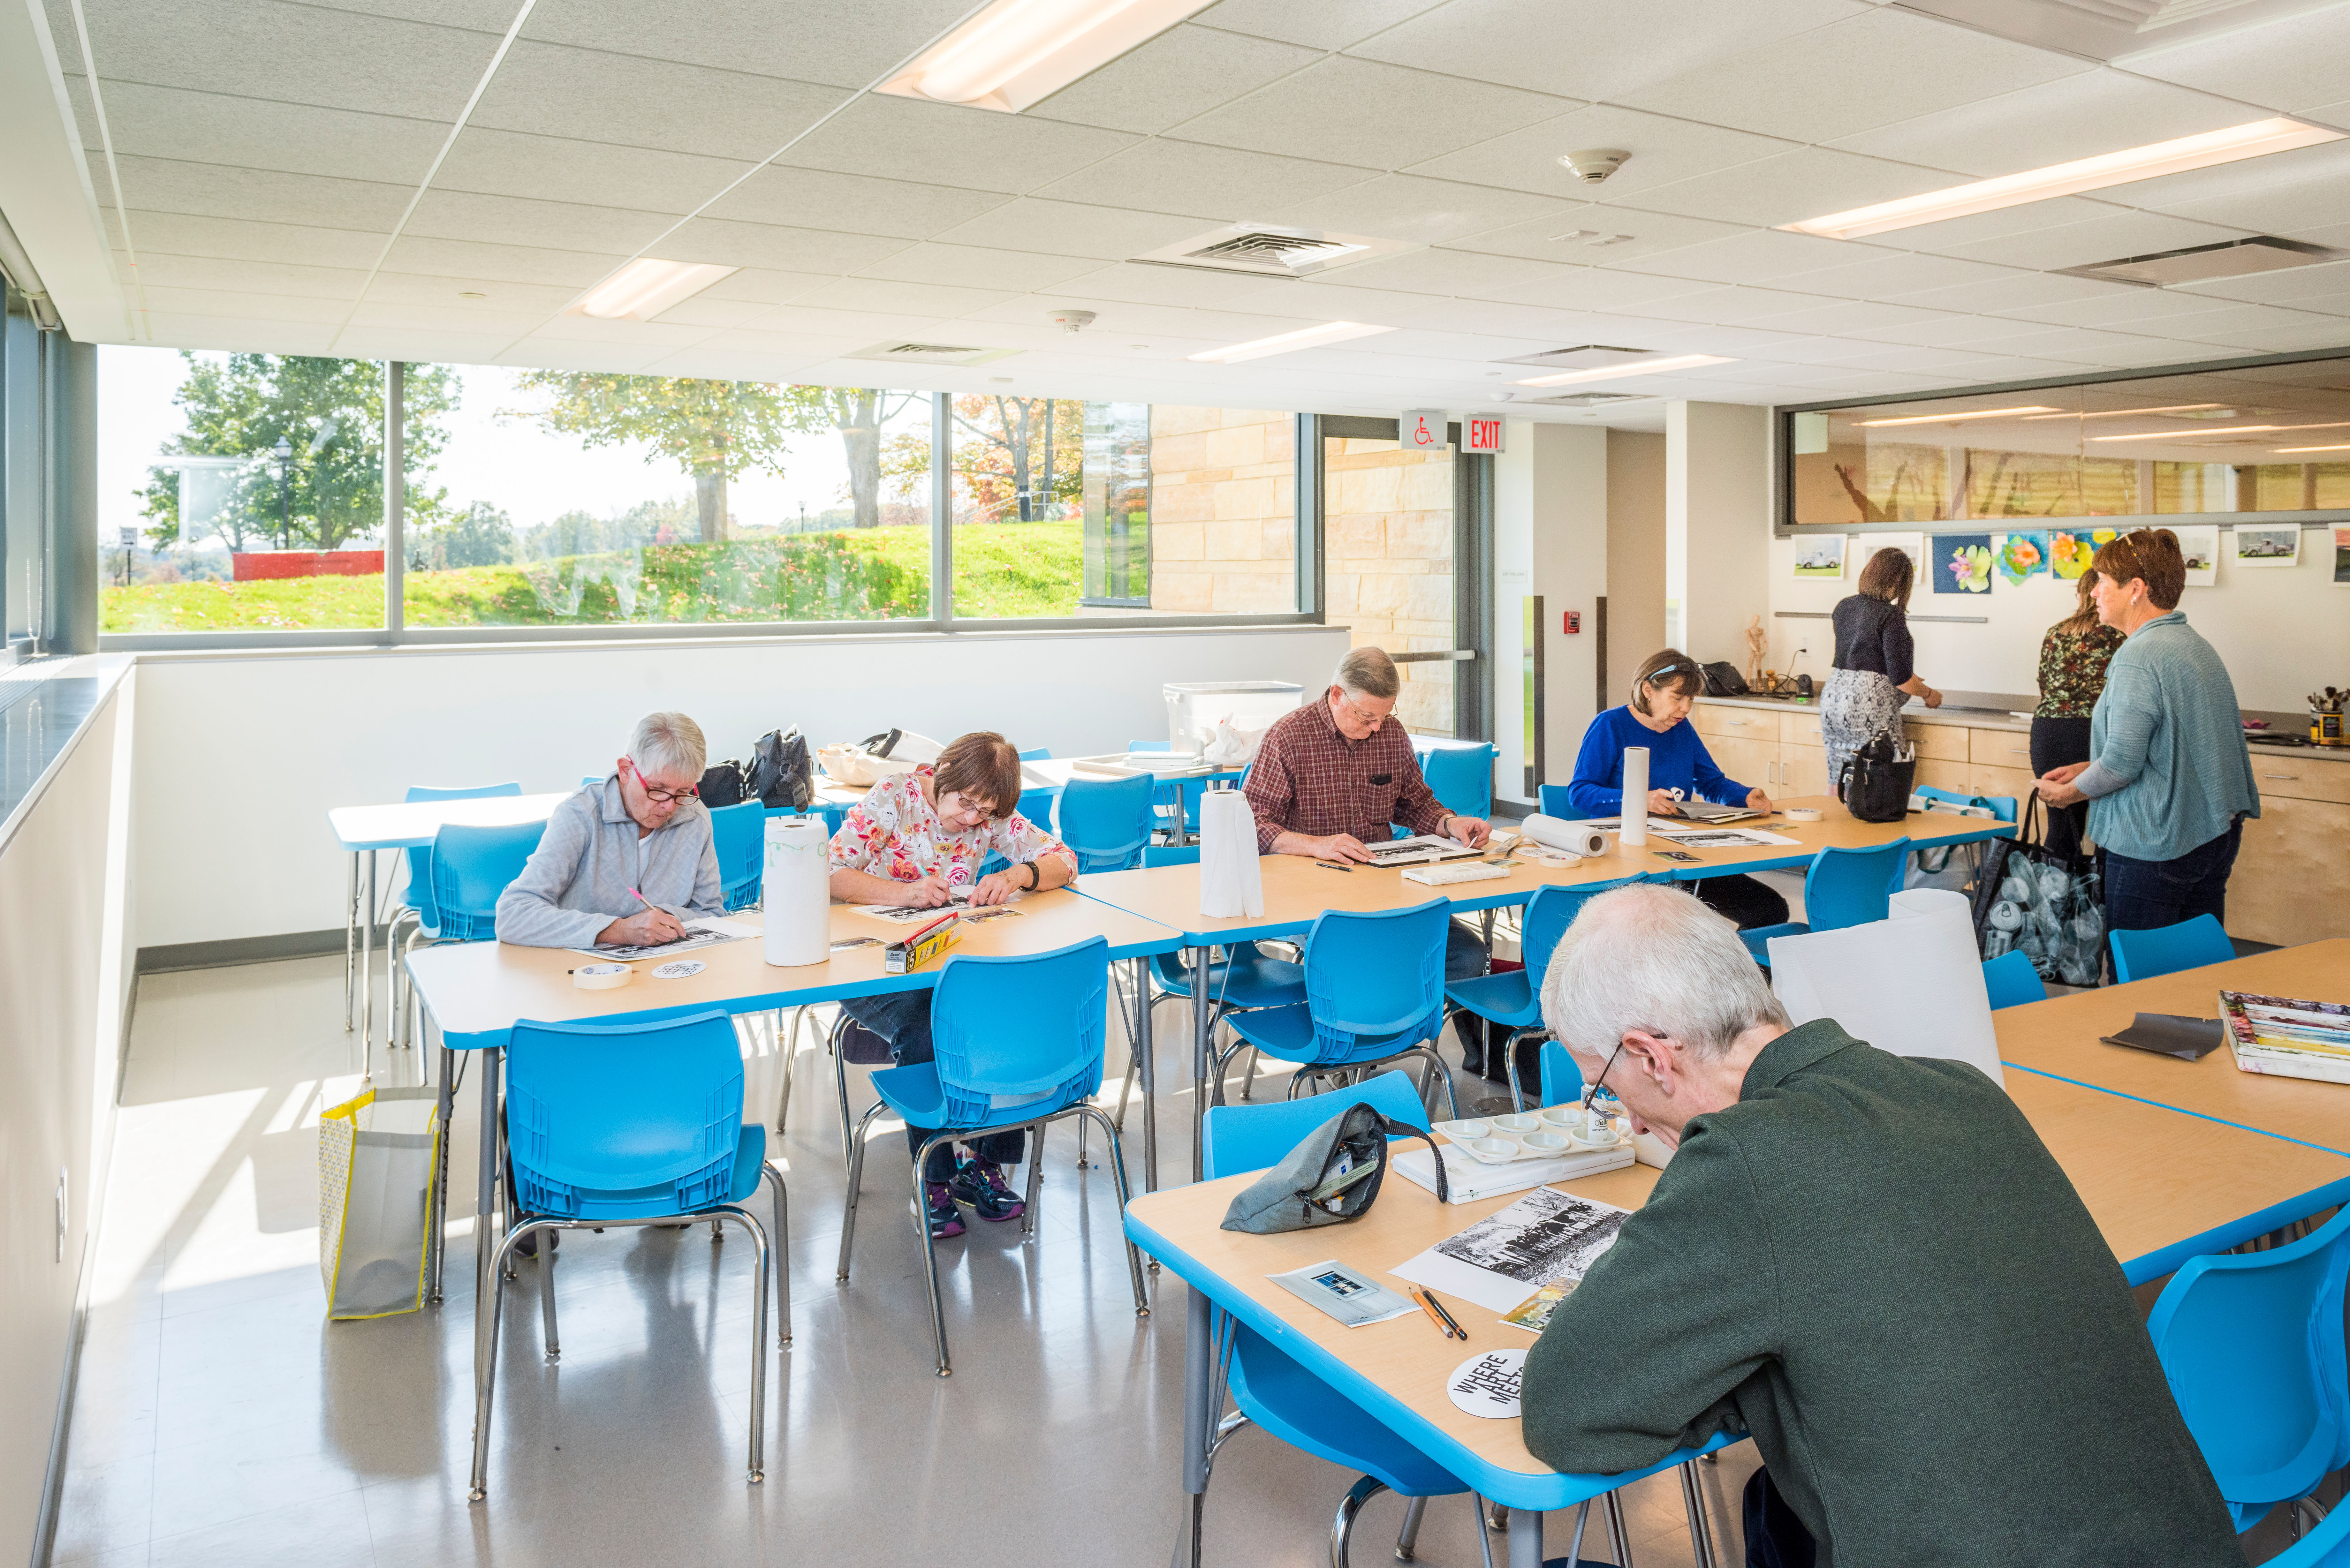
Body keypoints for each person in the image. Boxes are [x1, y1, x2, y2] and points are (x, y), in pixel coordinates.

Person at [1517, 882, 2242, 1567]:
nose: (1631, 1119)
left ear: (1650, 1054)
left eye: (1606, 1086)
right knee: (1773, 1506)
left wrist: (1738, 1376)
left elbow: (1567, 1410)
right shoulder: (1961, 1088)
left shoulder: (1742, 1162)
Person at [830, 731, 1079, 1240]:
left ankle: (984, 1166)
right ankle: (934, 1175)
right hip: (876, 965)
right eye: (965, 804)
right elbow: (827, 872)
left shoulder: (989, 816)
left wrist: (1017, 876)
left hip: (948, 961)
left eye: (984, 814)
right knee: (925, 1023)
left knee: (1003, 1013)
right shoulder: (895, 797)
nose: (972, 821)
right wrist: (904, 891)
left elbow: (1065, 860)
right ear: (944, 774)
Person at [1243, 646, 1496, 1064]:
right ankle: (1350, 1054)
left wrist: (1451, 824)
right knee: (1358, 960)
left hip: (1386, 891)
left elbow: (1415, 804)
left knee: (1472, 956)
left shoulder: (1390, 735)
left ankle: (1416, 1041)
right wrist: (1316, 844)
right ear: (1337, 695)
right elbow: (1251, 823)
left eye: (1385, 716)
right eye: (1366, 717)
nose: (1377, 727)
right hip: (1314, 898)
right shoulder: (1288, 737)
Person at [2035, 528, 2259, 936]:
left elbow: (2121, 765)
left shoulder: (2137, 657)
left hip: (2156, 843)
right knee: (2193, 968)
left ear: (2135, 589)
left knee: (2137, 977)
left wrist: (2067, 794)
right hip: (2212, 834)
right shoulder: (2192, 645)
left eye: (2102, 583)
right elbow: (2168, 744)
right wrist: (2089, 766)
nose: (2096, 594)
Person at [1564, 649, 1786, 931]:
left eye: (1691, 700)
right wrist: (1638, 800)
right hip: (1625, 859)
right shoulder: (1611, 725)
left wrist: (1745, 795)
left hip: (1678, 857)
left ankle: (1729, 975)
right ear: (1648, 690)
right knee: (1670, 929)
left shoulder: (1682, 730)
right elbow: (1579, 793)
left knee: (1770, 909)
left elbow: (1711, 783)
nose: (1685, 709)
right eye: (1678, 698)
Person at [496, 710, 724, 949]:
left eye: (683, 792)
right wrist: (618, 930)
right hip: (578, 971)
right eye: (657, 789)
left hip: (664, 968)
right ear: (626, 770)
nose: (669, 806)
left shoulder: (695, 818)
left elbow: (712, 915)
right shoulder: (582, 814)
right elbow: (513, 916)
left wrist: (658, 919)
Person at [1822, 547, 1941, 792]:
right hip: (1869, 706)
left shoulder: (1844, 607)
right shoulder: (1891, 615)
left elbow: (1863, 657)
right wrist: (1929, 694)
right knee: (1879, 776)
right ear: (1899, 581)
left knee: (1840, 774)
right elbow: (1901, 680)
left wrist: (1905, 675)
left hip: (1834, 698)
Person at [2030, 571, 2125, 862]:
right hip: (2095, 731)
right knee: (2109, 829)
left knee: (2061, 829)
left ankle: (2057, 903)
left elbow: (2044, 682)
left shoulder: (2057, 632)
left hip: (2050, 731)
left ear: (2081, 593)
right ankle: (2099, 902)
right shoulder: (2120, 634)